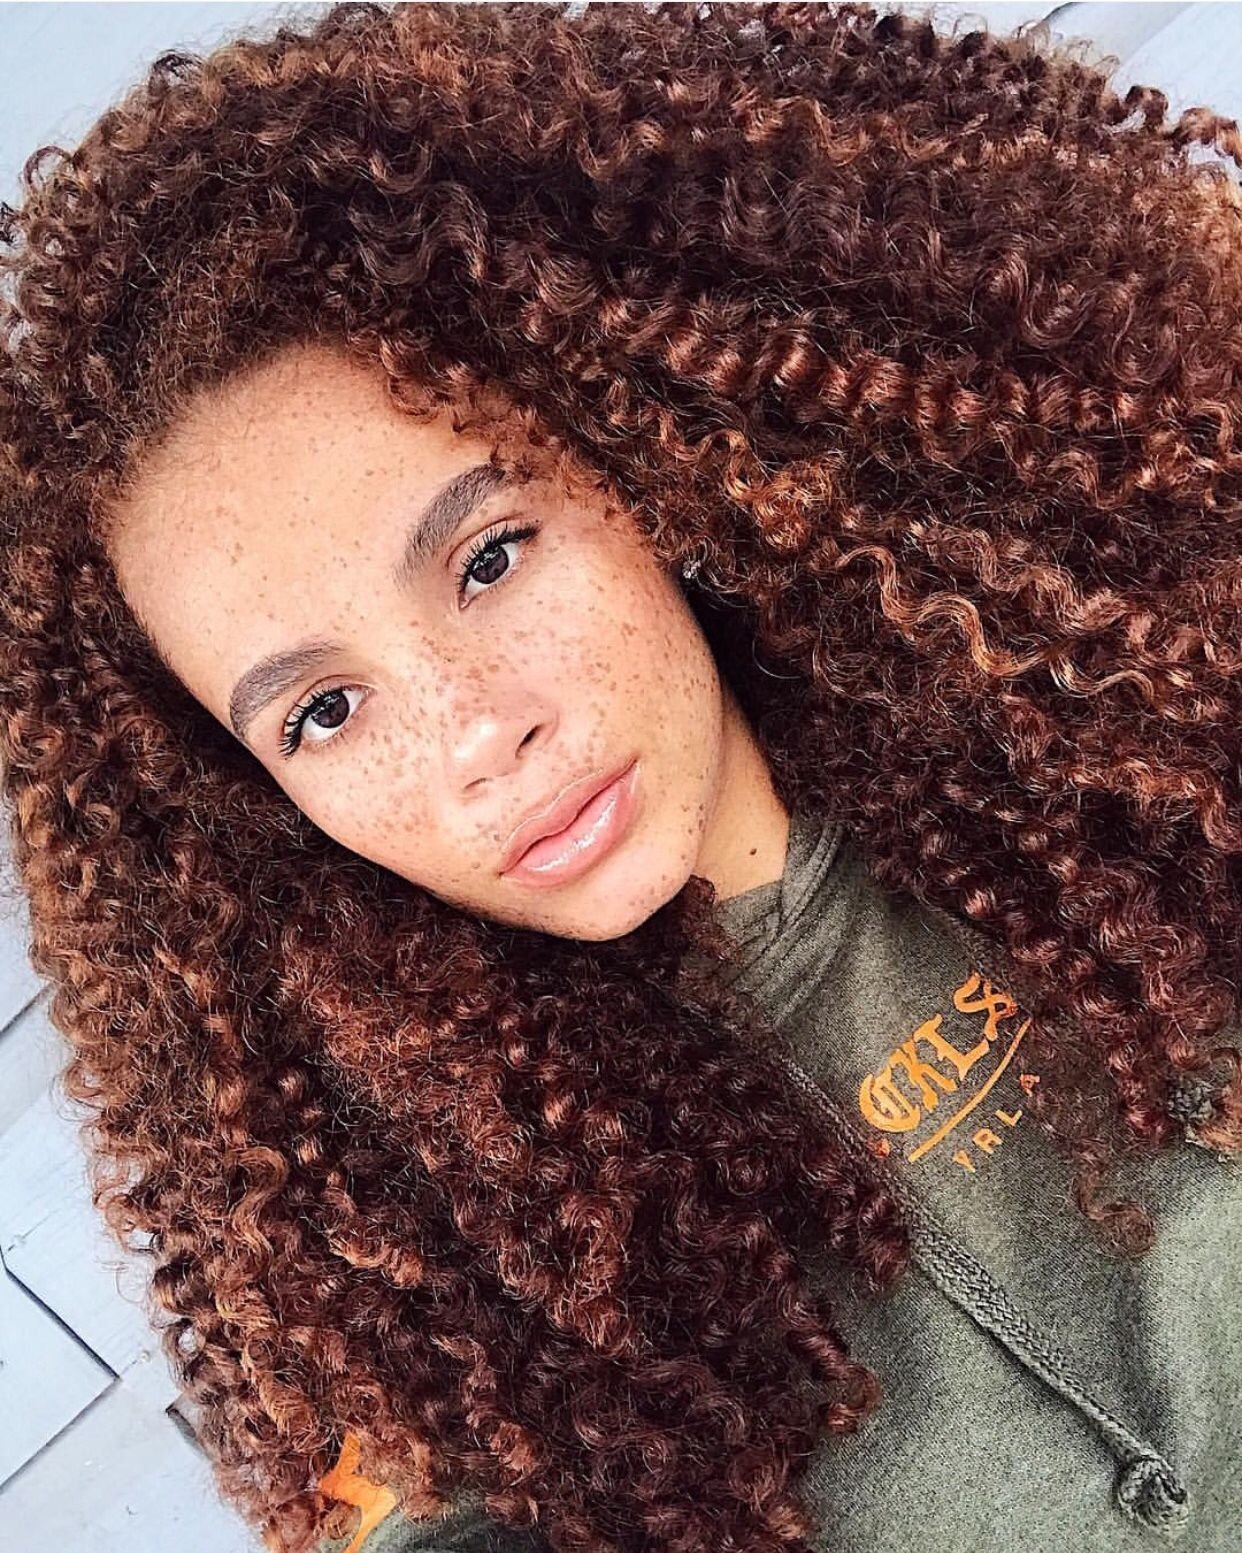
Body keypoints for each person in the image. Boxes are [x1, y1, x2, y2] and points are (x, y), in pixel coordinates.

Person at [0, 3, 1238, 1551]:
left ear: (639, 456)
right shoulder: (456, 1301)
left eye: (489, 556)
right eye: (322, 711)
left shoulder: (1128, 732)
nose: (474, 735)